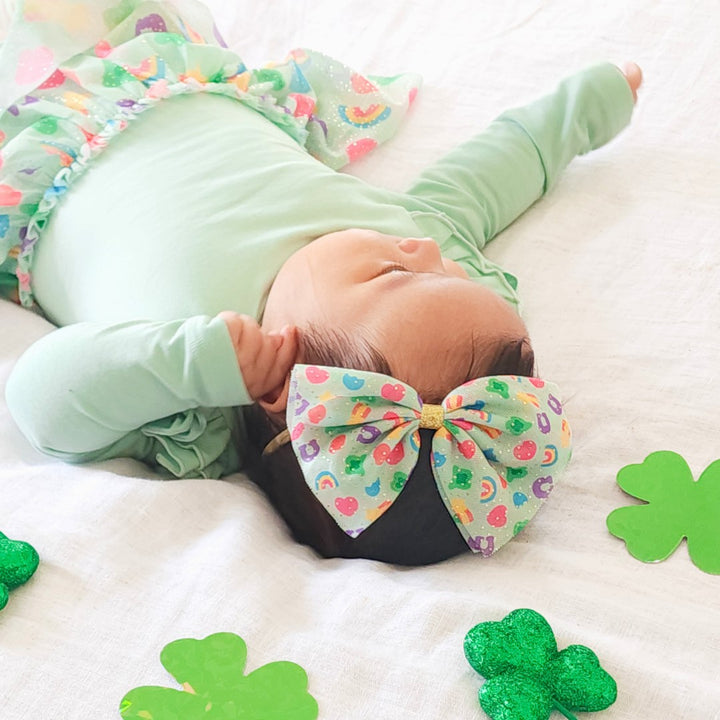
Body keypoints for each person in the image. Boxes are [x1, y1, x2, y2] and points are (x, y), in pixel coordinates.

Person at [1, 0, 641, 565]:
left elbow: (41, 402)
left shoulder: (200, 417)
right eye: (448, 268)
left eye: (395, 272)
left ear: (285, 386)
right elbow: (479, 181)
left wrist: (193, 364)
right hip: (154, 65)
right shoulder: (433, 263)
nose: (424, 249)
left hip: (23, 154)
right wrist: (583, 110)